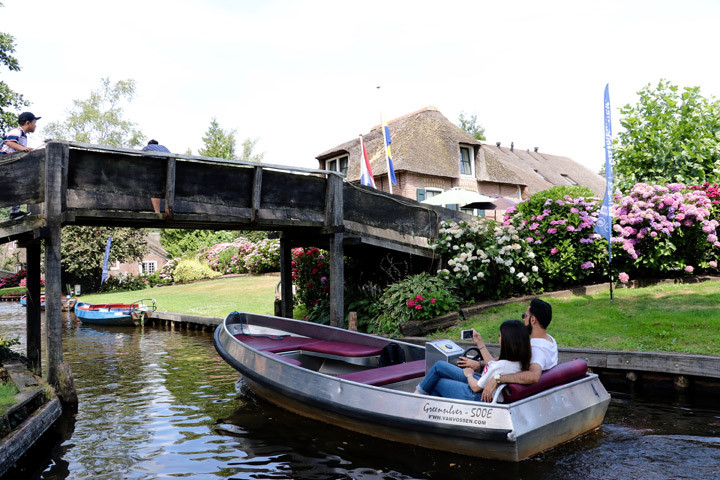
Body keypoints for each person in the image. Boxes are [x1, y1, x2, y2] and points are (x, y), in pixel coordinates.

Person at [460, 298, 558, 400]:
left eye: (524, 316)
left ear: (533, 320)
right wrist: (479, 361)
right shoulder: (549, 340)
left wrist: (497, 379)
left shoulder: (536, 349)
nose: (523, 320)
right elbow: (501, 361)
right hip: (520, 389)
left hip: (500, 394)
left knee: (443, 374)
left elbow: (534, 375)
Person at [414, 320, 531, 402]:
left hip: (477, 396)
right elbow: (491, 364)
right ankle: (418, 396)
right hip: (485, 387)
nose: (498, 339)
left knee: (437, 382)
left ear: (507, 341)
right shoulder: (521, 360)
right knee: (440, 366)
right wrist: (479, 342)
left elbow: (475, 387)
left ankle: (415, 402)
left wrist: (469, 375)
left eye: (500, 336)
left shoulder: (500, 366)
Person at [1, 112, 40, 219]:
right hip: (5, 162)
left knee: (17, 186)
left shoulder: (23, 136)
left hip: (12, 164)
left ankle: (15, 212)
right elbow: (9, 142)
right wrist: (24, 149)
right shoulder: (16, 131)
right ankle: (14, 212)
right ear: (28, 123)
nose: (35, 125)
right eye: (34, 123)